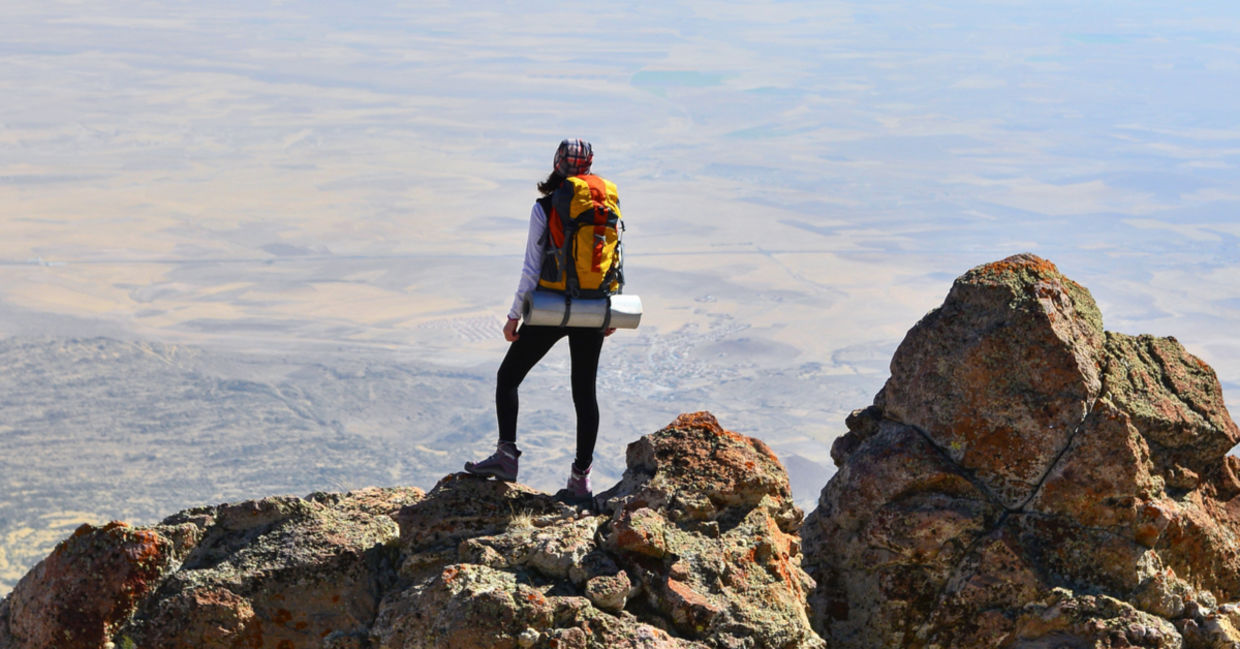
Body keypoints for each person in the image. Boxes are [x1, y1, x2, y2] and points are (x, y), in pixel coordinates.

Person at [464, 139, 616, 502]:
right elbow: (613, 259)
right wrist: (609, 307)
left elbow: (531, 267)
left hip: (551, 306)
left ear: (557, 164)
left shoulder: (545, 207)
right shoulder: (606, 203)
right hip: (592, 307)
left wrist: (514, 315)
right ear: (590, 165)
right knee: (584, 391)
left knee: (508, 377)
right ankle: (581, 479)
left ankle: (506, 458)